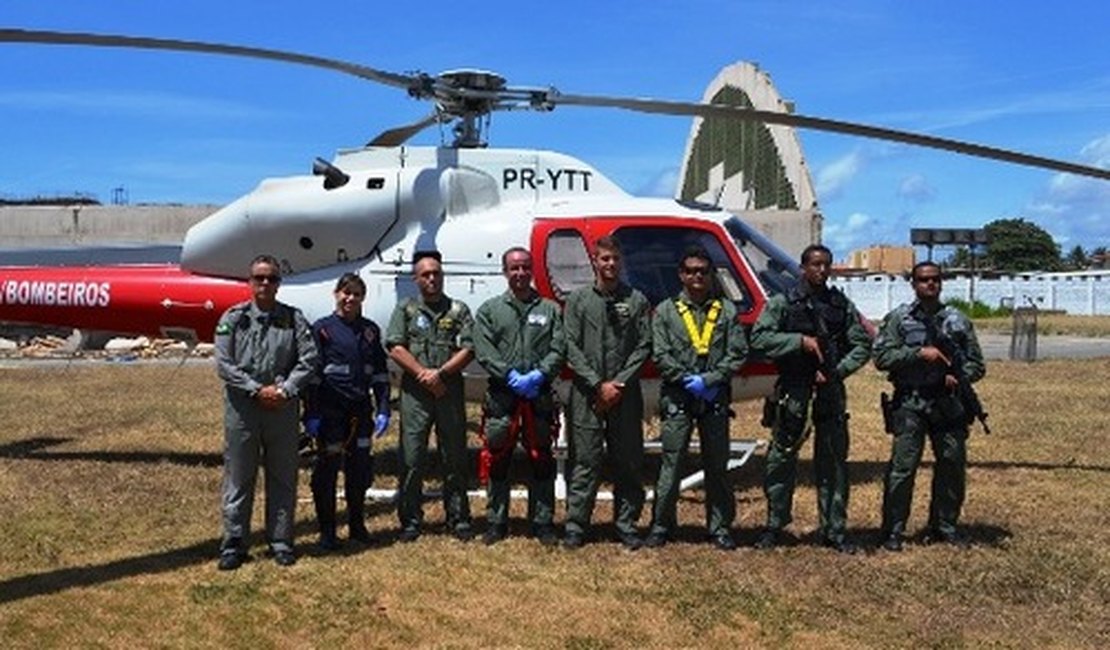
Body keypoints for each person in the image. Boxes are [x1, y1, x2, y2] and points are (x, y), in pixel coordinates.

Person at [750, 244, 872, 554]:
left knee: (832, 460)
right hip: (793, 389)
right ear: (803, 268)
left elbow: (861, 344)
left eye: (826, 264)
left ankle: (834, 529)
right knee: (781, 458)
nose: (821, 270)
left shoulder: (839, 304)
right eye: (815, 264)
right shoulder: (783, 303)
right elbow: (760, 338)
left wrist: (836, 371)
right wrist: (798, 342)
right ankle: (774, 525)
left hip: (829, 391)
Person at [213, 254, 318, 570]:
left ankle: (281, 540)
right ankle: (234, 543)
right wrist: (256, 389)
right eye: (259, 277)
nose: (265, 283)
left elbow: (309, 359)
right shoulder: (234, 318)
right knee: (239, 476)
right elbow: (224, 364)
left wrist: (284, 390)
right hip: (243, 409)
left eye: (271, 278)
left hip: (282, 409)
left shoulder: (293, 319)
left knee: (282, 476)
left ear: (279, 283)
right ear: (250, 282)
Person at [873, 261, 986, 551]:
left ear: (942, 283)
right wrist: (919, 354)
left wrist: (958, 377)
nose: (930, 284)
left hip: (947, 404)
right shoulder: (899, 319)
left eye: (935, 279)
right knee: (903, 467)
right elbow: (882, 358)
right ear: (914, 284)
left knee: (952, 463)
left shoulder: (958, 321)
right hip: (910, 402)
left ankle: (944, 526)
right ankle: (893, 530)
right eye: (924, 280)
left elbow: (976, 364)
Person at [644, 245, 747, 550]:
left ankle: (719, 527)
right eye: (690, 271)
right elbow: (659, 353)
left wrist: (711, 380)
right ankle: (661, 525)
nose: (697, 276)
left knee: (717, 466)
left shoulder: (726, 310)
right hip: (678, 397)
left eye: (702, 271)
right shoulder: (665, 311)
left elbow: (738, 352)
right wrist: (687, 380)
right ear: (681, 274)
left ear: (710, 274)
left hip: (714, 398)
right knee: (671, 465)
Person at [562, 236, 653, 550]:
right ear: (594, 261)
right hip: (587, 394)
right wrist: (597, 384)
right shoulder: (577, 301)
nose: (610, 264)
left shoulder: (637, 300)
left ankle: (626, 523)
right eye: (604, 259)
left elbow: (644, 346)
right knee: (584, 460)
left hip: (624, 394)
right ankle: (576, 524)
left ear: (621, 261)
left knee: (628, 460)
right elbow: (569, 346)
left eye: (615, 258)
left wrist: (619, 384)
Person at [472, 246, 565, 546]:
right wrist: (509, 375)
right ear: (505, 272)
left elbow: (559, 347)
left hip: (538, 396)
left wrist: (540, 374)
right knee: (498, 459)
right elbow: (484, 349)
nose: (520, 273)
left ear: (532, 270)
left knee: (541, 459)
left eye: (525, 267)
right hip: (503, 396)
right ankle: (496, 522)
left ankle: (542, 522)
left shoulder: (549, 309)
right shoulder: (489, 310)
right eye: (514, 268)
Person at [386, 250, 476, 543]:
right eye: (425, 274)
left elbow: (469, 348)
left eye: (436, 273)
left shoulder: (458, 310)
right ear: (416, 279)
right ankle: (411, 519)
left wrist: (441, 375)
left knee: (455, 457)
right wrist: (425, 374)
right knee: (412, 458)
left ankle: (458, 517)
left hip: (448, 391)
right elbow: (396, 346)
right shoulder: (406, 309)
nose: (432, 279)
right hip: (416, 395)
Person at [304, 272, 391, 552]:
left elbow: (379, 373)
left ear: (363, 298)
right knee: (327, 474)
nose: (351, 299)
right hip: (330, 412)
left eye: (356, 294)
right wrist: (312, 413)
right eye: (346, 293)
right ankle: (328, 532)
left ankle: (357, 525)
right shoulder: (322, 329)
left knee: (360, 471)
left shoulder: (370, 331)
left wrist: (384, 408)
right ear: (336, 294)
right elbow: (313, 375)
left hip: (360, 412)